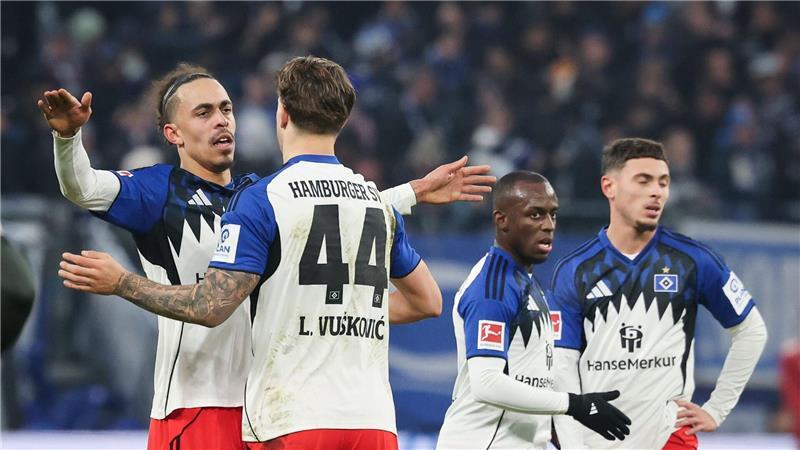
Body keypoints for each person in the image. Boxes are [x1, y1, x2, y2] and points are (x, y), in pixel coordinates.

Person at [38, 62, 493, 450]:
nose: (221, 121)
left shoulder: (257, 195)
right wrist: (68, 138)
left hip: (268, 407)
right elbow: (83, 187)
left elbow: (328, 208)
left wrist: (411, 192)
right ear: (172, 133)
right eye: (203, 113)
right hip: (197, 404)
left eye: (226, 109)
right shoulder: (156, 191)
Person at [550, 138, 768, 449]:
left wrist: (717, 408)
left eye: (663, 182)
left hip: (669, 437)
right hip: (596, 441)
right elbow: (563, 366)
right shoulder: (575, 270)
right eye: (643, 181)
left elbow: (751, 330)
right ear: (609, 186)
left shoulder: (694, 260)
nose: (657, 192)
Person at [437, 171, 630, 450]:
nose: (549, 225)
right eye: (535, 214)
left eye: (553, 214)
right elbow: (486, 383)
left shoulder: (527, 282)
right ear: (502, 220)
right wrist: (574, 404)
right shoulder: (492, 288)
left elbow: (533, 382)